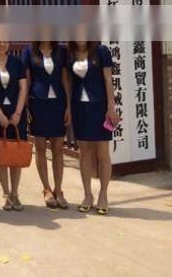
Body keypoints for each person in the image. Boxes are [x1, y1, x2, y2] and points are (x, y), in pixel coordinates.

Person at [68, 42, 119, 215]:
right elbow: (69, 82)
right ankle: (87, 195)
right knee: (84, 153)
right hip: (80, 108)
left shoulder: (101, 51)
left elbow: (108, 80)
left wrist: (111, 107)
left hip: (99, 107)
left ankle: (103, 195)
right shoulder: (70, 54)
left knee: (102, 153)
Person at [22, 42, 71, 209]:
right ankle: (46, 189)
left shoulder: (61, 52)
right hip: (38, 103)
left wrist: (68, 106)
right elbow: (27, 81)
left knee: (58, 148)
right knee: (41, 147)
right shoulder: (29, 52)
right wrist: (25, 106)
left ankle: (59, 189)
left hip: (58, 103)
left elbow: (65, 79)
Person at [0, 41, 29, 211]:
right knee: (1, 154)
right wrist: (0, 115)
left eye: (5, 40)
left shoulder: (17, 62)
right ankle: (6, 194)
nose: (2, 44)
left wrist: (18, 113)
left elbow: (23, 88)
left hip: (17, 114)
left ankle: (15, 193)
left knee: (16, 153)